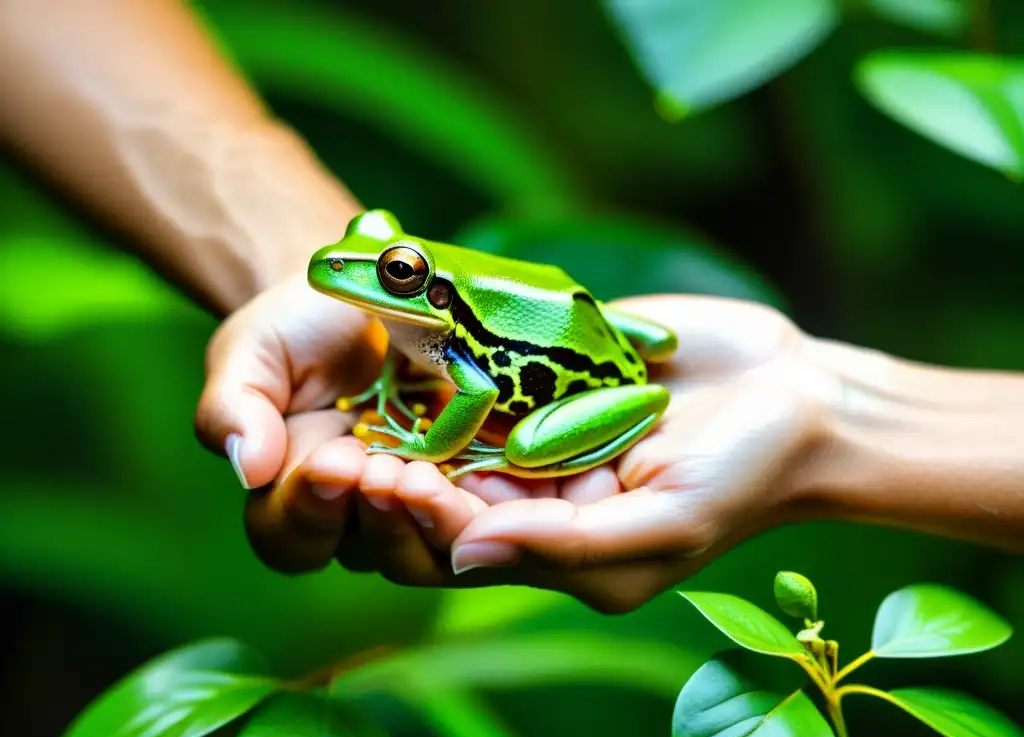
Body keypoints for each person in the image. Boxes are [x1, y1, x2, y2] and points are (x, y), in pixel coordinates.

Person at [2, 0, 1021, 615]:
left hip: (556, 380)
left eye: (392, 275)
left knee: (517, 439)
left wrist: (436, 437)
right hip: (568, 331)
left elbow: (474, 389)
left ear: (423, 291)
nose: (357, 279)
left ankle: (528, 451)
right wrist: (285, 257)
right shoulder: (414, 315)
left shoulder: (446, 336)